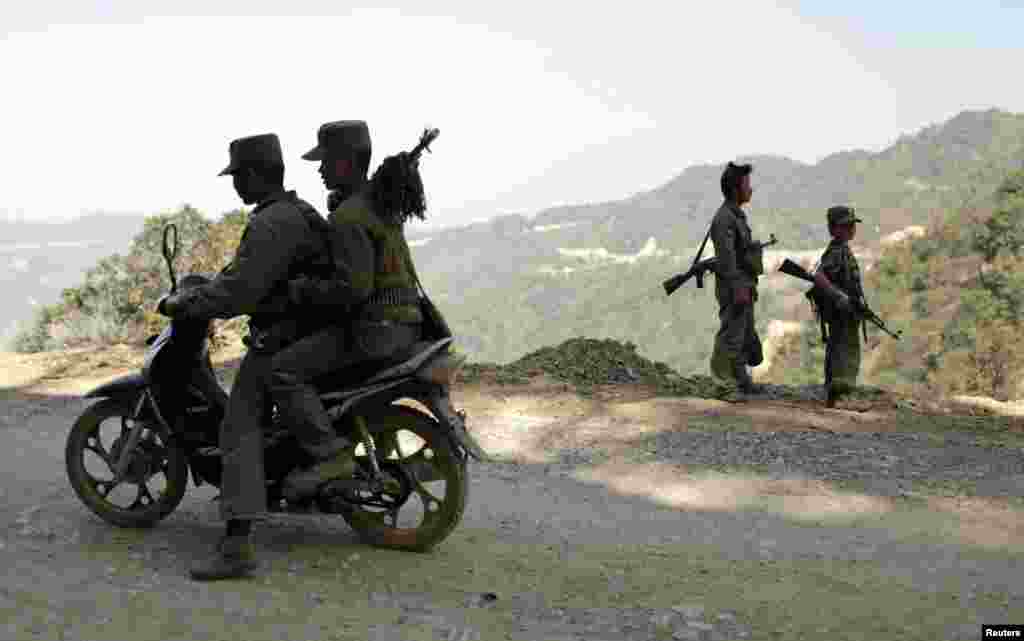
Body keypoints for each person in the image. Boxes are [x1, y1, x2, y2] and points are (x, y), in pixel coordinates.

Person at [159, 133, 336, 581]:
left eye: (239, 175)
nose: (236, 185)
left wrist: (188, 304)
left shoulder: (271, 222)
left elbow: (241, 290)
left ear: (258, 174)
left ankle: (237, 546)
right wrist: (210, 286)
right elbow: (245, 273)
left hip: (284, 336)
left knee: (237, 426)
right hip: (313, 331)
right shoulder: (296, 212)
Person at [273, 119, 425, 499]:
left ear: (345, 162)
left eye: (325, 161)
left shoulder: (348, 217)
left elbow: (351, 290)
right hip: (408, 323)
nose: (320, 170)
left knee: (283, 371)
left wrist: (300, 290)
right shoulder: (379, 202)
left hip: (375, 330)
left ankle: (328, 455)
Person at [709, 161, 763, 402]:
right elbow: (727, 258)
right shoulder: (725, 219)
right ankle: (723, 383)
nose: (751, 189)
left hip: (743, 283)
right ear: (735, 189)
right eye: (747, 185)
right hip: (734, 285)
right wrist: (738, 286)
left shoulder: (735, 216)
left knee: (742, 332)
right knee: (730, 333)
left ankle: (739, 378)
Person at [813, 206, 865, 408]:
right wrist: (840, 297)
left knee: (841, 350)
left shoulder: (842, 249)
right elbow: (819, 276)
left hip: (846, 312)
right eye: (846, 225)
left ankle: (837, 395)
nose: (852, 228)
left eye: (852, 224)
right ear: (834, 229)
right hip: (841, 312)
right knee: (845, 352)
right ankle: (841, 396)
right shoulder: (836, 251)